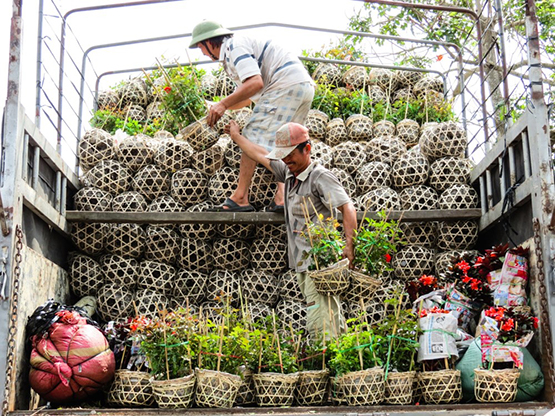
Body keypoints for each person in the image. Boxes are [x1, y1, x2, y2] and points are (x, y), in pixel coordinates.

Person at [225, 119, 357, 339]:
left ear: (307, 149)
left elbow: (347, 206)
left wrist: (349, 246)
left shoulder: (318, 176)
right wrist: (236, 136)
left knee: (320, 322)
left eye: (290, 154)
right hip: (303, 265)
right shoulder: (288, 173)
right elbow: (258, 154)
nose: (286, 159)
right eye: (282, 155)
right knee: (327, 317)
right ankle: (335, 359)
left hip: (320, 264)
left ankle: (324, 364)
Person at [189, 20, 315, 212]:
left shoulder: (234, 47)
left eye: (201, 48)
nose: (204, 54)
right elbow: (248, 96)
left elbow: (255, 83)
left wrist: (222, 104)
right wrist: (221, 107)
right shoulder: (235, 52)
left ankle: (241, 197)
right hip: (301, 87)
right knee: (284, 142)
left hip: (284, 85)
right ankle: (282, 196)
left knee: (248, 137)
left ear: (209, 42)